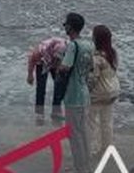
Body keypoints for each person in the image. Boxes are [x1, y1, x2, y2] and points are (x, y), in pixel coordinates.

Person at [58, 12, 95, 173]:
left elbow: (65, 67)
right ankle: (86, 165)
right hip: (85, 93)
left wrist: (57, 63)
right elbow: (91, 68)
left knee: (74, 134)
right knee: (83, 132)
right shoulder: (89, 45)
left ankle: (80, 168)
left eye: (66, 24)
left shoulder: (73, 46)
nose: (64, 27)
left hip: (73, 95)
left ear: (70, 27)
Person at [87, 25, 120, 157]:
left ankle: (90, 149)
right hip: (113, 90)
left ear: (97, 39)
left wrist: (86, 90)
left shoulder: (96, 58)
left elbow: (93, 78)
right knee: (107, 122)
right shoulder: (113, 53)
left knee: (91, 122)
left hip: (100, 93)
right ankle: (107, 149)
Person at [26, 36, 68, 117]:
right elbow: (32, 59)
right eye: (56, 59)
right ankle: (39, 113)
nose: (56, 61)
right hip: (42, 61)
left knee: (59, 87)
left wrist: (59, 65)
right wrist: (30, 75)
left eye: (58, 59)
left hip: (56, 54)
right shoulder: (41, 51)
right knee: (41, 89)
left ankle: (56, 111)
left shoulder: (66, 47)